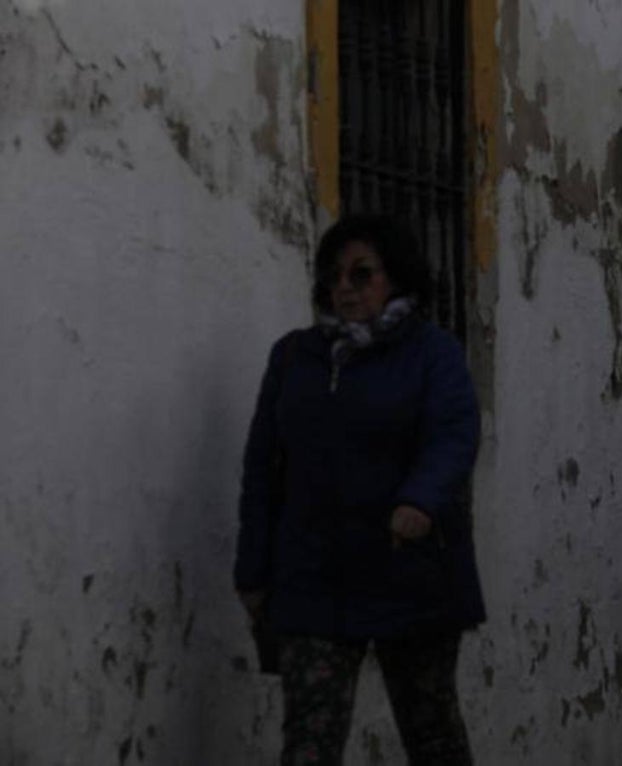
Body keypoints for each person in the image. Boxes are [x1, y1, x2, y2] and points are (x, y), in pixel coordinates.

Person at [234, 214, 484, 765]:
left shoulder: (430, 352)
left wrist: (420, 500)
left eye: (360, 274)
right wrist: (252, 572)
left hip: (408, 570)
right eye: (333, 277)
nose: (342, 288)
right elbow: (263, 470)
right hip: (315, 574)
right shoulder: (295, 358)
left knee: (433, 734)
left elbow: (453, 434)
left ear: (395, 278)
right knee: (310, 741)